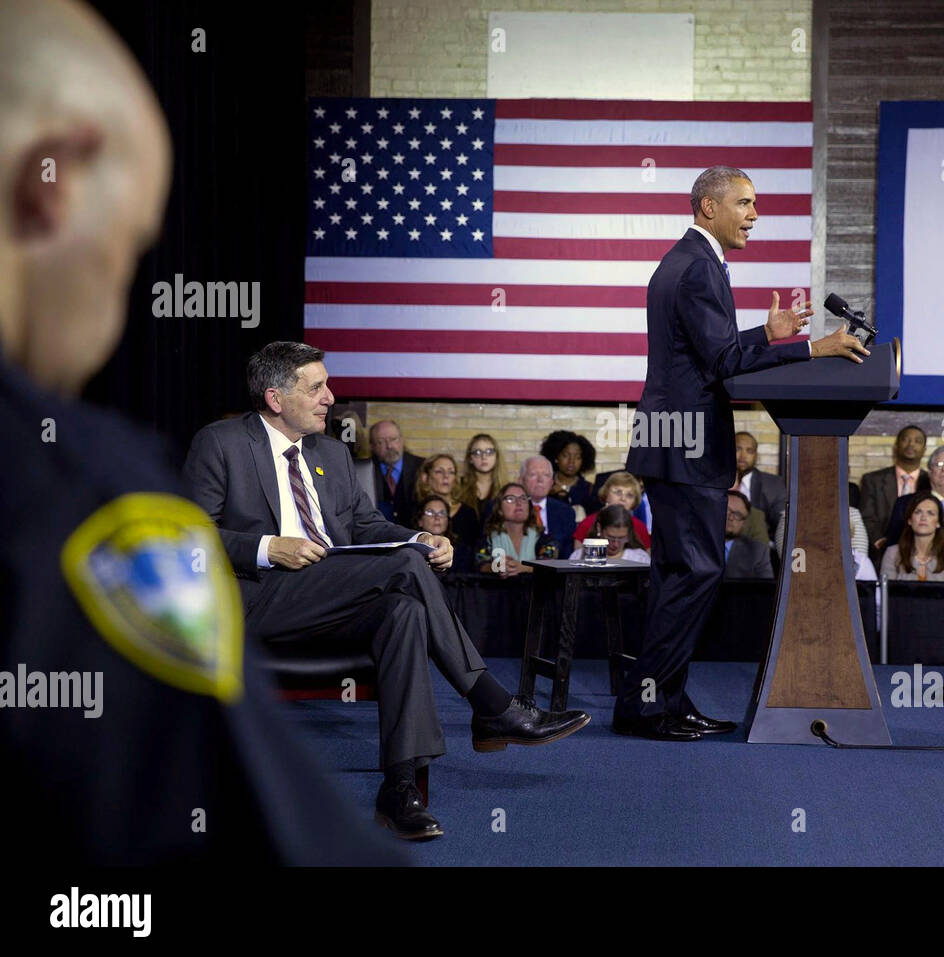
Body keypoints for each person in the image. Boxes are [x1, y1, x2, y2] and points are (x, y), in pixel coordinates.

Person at [0, 0, 399, 864]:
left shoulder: (328, 456)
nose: (110, 317)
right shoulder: (86, 492)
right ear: (52, 182)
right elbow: (259, 825)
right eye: (125, 248)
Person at [184, 343, 589, 841]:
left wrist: (421, 538)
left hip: (334, 594)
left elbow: (365, 524)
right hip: (260, 597)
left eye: (327, 386)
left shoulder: (329, 451)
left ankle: (399, 788)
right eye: (316, 388)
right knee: (402, 569)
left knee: (403, 612)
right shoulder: (220, 442)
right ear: (274, 396)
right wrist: (270, 547)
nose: (330, 397)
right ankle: (491, 706)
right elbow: (191, 536)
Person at [616, 164, 868, 742]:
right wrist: (813, 347)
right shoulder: (699, 267)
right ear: (709, 207)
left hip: (675, 443)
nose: (755, 215)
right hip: (684, 446)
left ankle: (659, 701)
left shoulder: (688, 260)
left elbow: (710, 350)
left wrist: (766, 334)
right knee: (693, 573)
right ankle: (649, 708)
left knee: (681, 574)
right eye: (746, 203)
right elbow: (722, 365)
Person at [860, 424, 929, 553]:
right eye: (906, 439)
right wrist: (878, 540)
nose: (911, 445)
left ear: (924, 449)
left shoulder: (930, 482)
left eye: (917, 441)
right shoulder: (873, 480)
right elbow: (866, 516)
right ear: (897, 445)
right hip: (882, 551)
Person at [475, 482, 560, 574]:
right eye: (510, 499)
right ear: (499, 509)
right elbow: (480, 565)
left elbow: (549, 565)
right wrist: (496, 567)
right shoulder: (488, 538)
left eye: (523, 498)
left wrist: (523, 568)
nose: (519, 503)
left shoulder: (544, 539)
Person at [414, 453, 482, 568]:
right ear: (425, 477)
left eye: (451, 472)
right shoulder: (415, 509)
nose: (446, 476)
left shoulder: (468, 513)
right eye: (439, 471)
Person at [880, 494, 944, 581]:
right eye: (918, 512)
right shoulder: (892, 553)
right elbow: (886, 592)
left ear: (938, 523)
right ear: (910, 520)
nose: (923, 517)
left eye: (930, 513)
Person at [572, 470, 652, 553]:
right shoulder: (587, 523)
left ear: (635, 502)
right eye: (618, 492)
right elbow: (577, 558)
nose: (623, 499)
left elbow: (647, 560)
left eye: (629, 495)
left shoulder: (640, 527)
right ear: (606, 494)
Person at [364, 420, 424, 526]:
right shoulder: (364, 469)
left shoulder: (421, 466)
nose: (389, 446)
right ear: (372, 446)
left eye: (393, 439)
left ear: (402, 440)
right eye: (381, 442)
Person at [734, 430, 786, 541]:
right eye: (737, 449)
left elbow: (782, 527)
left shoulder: (774, 485)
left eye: (749, 451)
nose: (743, 456)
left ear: (756, 455)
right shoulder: (715, 483)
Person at [521, 455, 577, 550]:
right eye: (533, 474)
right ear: (521, 480)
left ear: (551, 482)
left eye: (546, 475)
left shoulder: (566, 512)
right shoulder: (512, 509)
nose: (540, 480)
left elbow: (567, 553)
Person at [541, 429, 599, 518]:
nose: (571, 462)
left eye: (577, 457)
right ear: (556, 457)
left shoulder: (589, 490)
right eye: (566, 455)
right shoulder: (544, 486)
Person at [453, 433, 507, 523]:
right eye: (478, 452)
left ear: (496, 457)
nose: (484, 457)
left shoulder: (505, 489)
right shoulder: (458, 486)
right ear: (470, 458)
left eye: (489, 452)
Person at [569, 505, 650, 564]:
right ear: (599, 528)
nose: (615, 544)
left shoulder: (639, 559)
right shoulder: (580, 556)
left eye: (622, 538)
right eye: (610, 538)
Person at [722, 490, 775, 579]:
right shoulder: (693, 544)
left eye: (737, 515)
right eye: (727, 510)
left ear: (744, 523)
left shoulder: (758, 551)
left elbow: (766, 589)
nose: (730, 517)